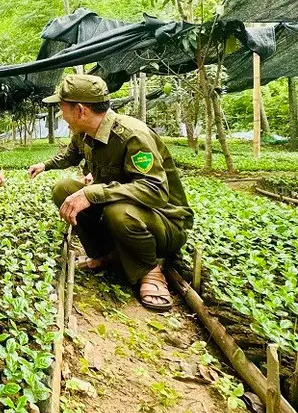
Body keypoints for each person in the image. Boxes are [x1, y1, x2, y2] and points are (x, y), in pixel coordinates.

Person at [28, 74, 194, 311]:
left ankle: (150, 270)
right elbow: (69, 156)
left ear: (81, 111)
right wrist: (45, 166)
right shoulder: (84, 133)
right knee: (64, 189)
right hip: (120, 210)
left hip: (162, 222)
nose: (61, 115)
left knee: (120, 212)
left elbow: (154, 191)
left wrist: (91, 193)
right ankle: (108, 255)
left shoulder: (133, 135)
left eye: (63, 109)